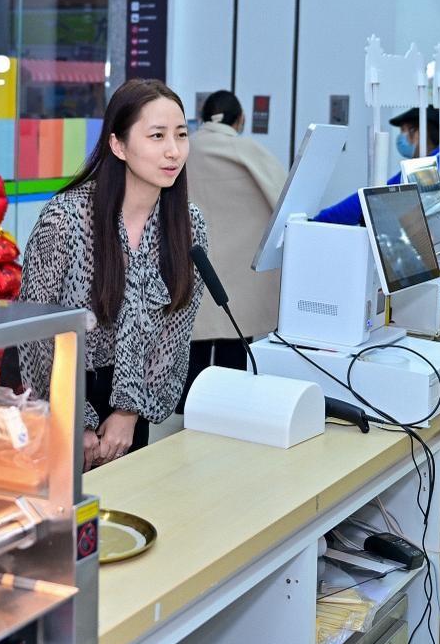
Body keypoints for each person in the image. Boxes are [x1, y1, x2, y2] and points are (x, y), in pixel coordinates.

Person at [17, 79, 208, 469]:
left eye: (181, 135)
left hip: (133, 409)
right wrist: (77, 419)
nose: (173, 151)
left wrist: (128, 412)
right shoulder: (66, 220)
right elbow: (36, 331)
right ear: (118, 145)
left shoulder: (188, 225)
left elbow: (174, 335)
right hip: (59, 392)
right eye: (157, 136)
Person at [182, 91, 285, 400]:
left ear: (203, 118)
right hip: (239, 274)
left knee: (194, 339)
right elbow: (283, 197)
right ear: (240, 119)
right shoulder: (248, 151)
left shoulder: (184, 150)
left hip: (193, 264)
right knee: (234, 339)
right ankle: (227, 405)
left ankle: (190, 403)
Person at [314, 105, 440, 226]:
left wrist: (320, 220)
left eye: (403, 131)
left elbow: (369, 201)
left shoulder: (428, 167)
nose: (400, 138)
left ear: (418, 133)